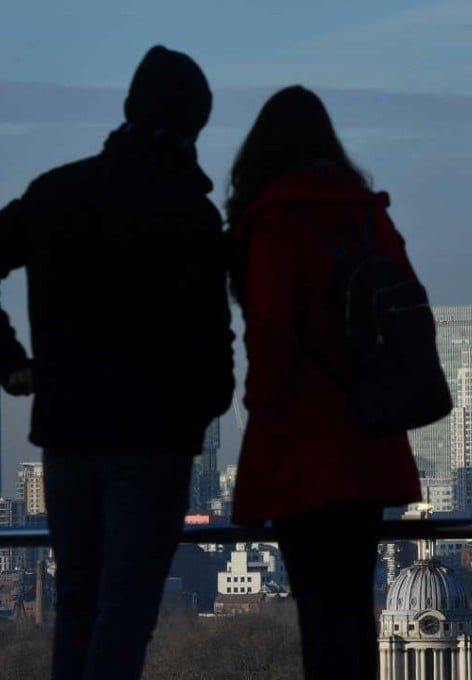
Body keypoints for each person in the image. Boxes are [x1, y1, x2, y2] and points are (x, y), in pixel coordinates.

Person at [0, 45, 235, 680]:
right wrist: (197, 410)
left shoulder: (57, 193)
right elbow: (217, 346)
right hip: (152, 443)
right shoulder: (189, 213)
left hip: (70, 434)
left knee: (78, 603)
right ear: (192, 125)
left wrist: (11, 362)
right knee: (125, 611)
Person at [225, 85, 423, 680]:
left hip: (301, 449)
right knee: (354, 609)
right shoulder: (367, 214)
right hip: (369, 439)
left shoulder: (274, 222)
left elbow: (271, 335)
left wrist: (260, 411)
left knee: (319, 612)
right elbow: (411, 312)